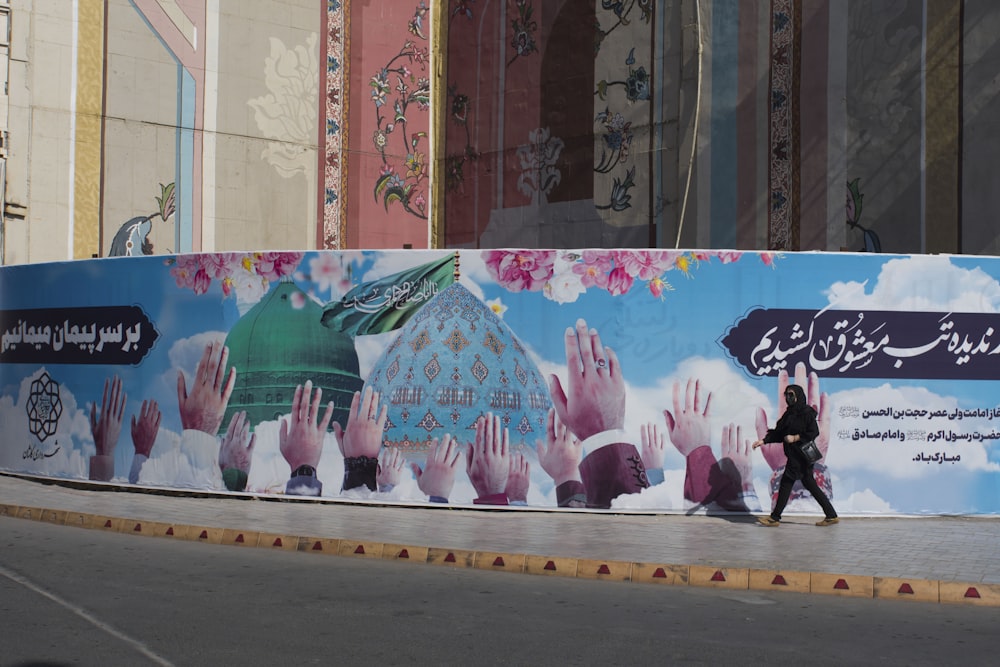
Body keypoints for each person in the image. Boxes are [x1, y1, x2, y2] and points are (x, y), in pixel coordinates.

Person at [752, 383, 838, 526]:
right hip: (793, 455)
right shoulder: (789, 414)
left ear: (798, 396)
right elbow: (779, 433)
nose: (788, 398)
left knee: (786, 483)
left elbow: (813, 432)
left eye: (791, 395)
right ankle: (831, 515)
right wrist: (763, 441)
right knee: (809, 484)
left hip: (802, 456)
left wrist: (795, 437)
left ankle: (774, 518)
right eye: (786, 395)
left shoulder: (806, 412)